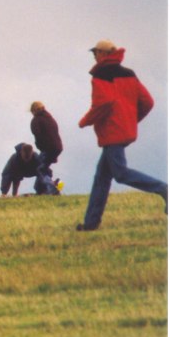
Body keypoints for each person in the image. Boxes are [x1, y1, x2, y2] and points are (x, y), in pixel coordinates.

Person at [77, 40, 168, 231]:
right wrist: (131, 120)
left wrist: (85, 121)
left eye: (95, 53)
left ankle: (163, 189)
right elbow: (148, 102)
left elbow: (104, 103)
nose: (94, 56)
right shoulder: (129, 74)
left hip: (112, 132)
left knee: (120, 173)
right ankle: (91, 223)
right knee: (102, 177)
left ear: (103, 54)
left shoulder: (100, 75)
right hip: (123, 130)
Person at [29, 101, 63, 195]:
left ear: (34, 110)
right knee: (42, 166)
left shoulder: (36, 120)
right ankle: (40, 189)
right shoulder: (50, 118)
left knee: (41, 169)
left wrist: (40, 146)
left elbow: (38, 136)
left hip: (48, 148)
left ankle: (53, 188)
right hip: (58, 147)